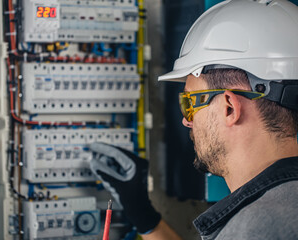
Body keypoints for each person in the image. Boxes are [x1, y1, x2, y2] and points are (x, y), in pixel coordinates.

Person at [90, 0, 298, 239]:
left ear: (229, 107)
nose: (186, 121)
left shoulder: (254, 229)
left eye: (189, 103)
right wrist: (145, 217)